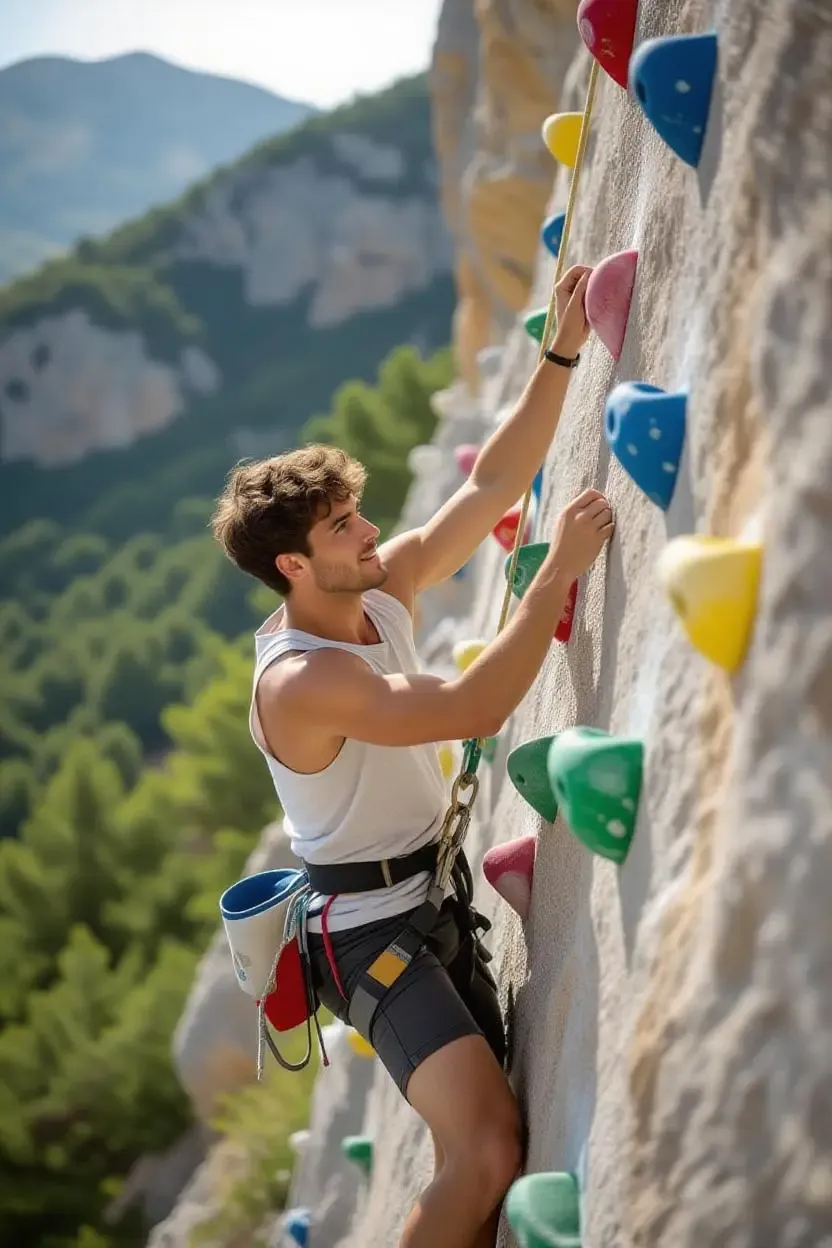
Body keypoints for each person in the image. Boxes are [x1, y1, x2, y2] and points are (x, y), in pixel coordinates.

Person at [210, 264, 614, 1248]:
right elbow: (473, 700)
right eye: (345, 526)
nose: (374, 530)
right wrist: (553, 574)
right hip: (366, 940)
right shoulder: (301, 682)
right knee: (484, 1152)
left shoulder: (369, 589)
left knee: (477, 1163)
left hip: (421, 902)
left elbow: (486, 487)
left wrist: (558, 353)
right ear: (293, 567)